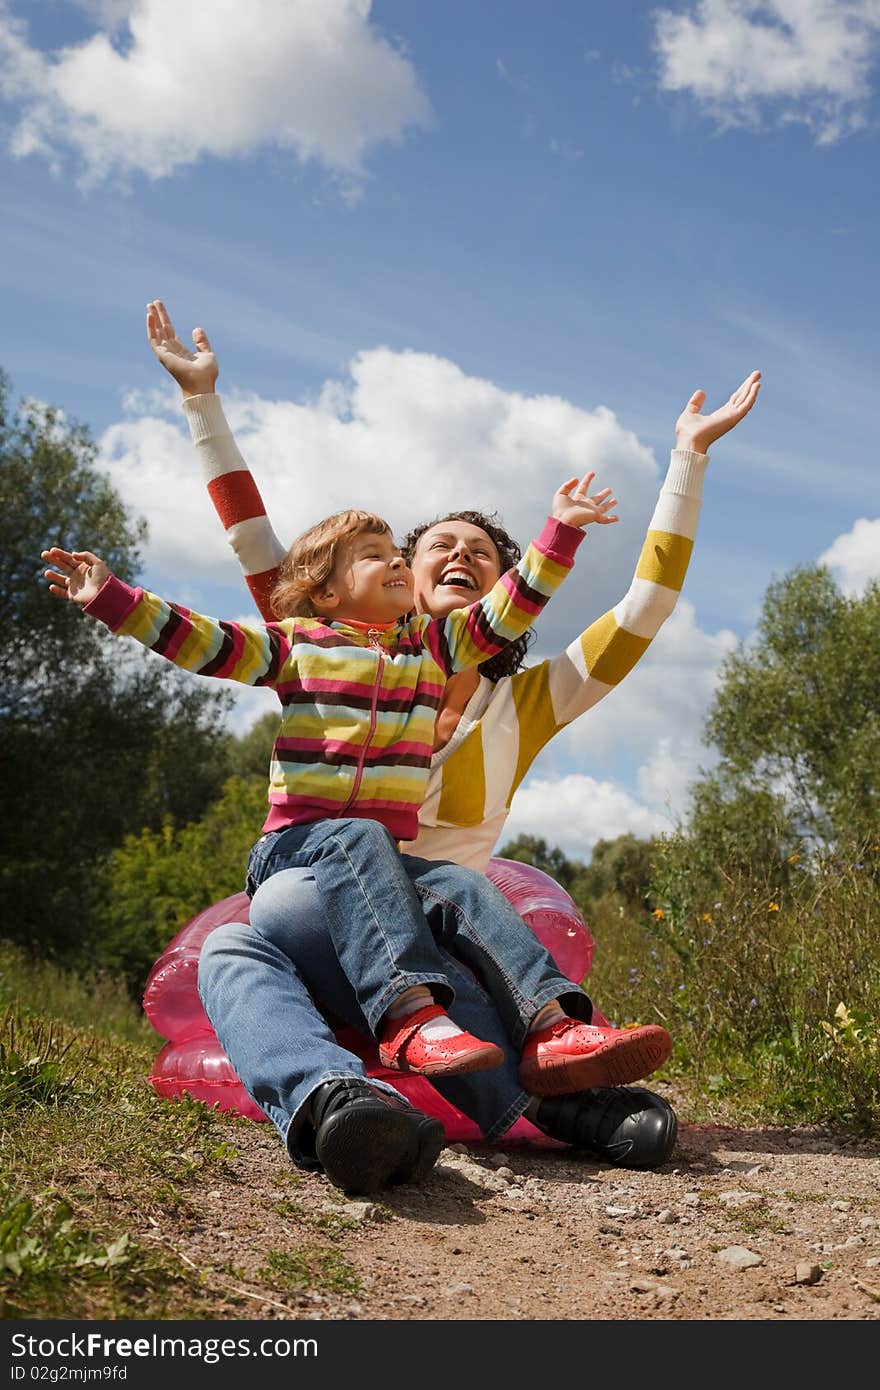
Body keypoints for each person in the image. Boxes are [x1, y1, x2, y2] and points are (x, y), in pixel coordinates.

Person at [144, 301, 761, 1193]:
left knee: (456, 920)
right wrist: (202, 403)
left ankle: (551, 1107)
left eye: (482, 550)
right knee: (238, 950)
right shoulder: (323, 652)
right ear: (391, 572)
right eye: (435, 544)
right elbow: (253, 539)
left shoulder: (531, 702)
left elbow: (644, 611)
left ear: (503, 590)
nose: (458, 553)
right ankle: (335, 1105)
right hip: (316, 918)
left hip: (446, 966)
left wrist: (688, 460)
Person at [41, 427, 674, 1185]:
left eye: (469, 555)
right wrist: (110, 596)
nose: (412, 566)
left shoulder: (439, 661)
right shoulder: (297, 645)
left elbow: (511, 611)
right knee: (246, 934)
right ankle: (357, 1066)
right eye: (395, 556)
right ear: (331, 590)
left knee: (459, 885)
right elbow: (200, 638)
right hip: (300, 859)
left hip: (412, 911)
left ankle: (539, 1057)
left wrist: (560, 530)